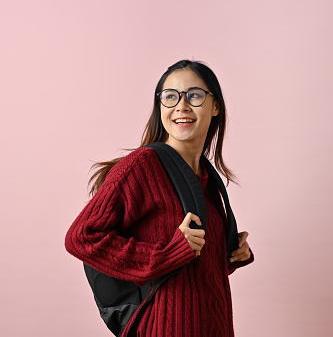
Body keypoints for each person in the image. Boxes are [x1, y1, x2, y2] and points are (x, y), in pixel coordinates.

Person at [65, 59, 254, 337]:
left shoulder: (207, 178)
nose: (182, 106)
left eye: (195, 95)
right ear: (160, 107)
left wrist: (230, 255)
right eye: (170, 97)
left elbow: (190, 270)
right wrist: (165, 254)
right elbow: (80, 237)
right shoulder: (143, 165)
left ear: (216, 107)